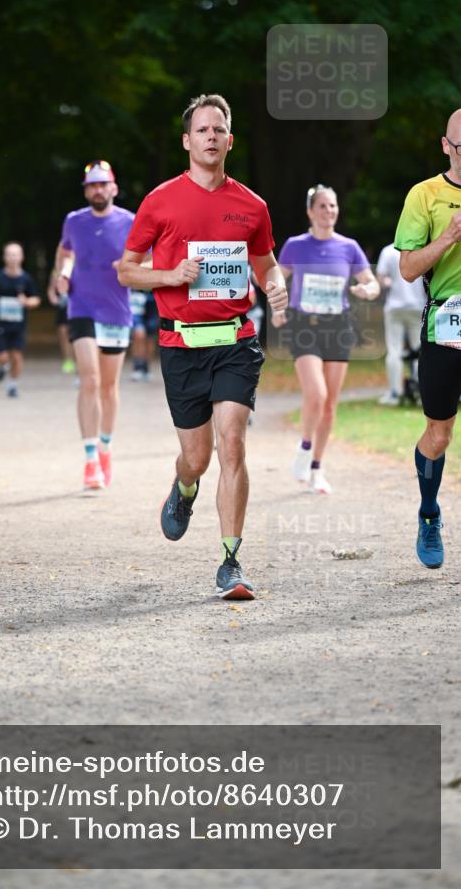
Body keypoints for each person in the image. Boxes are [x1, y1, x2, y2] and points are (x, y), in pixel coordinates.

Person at [117, 93, 287, 600]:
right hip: (181, 343)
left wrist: (274, 284)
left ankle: (231, 561)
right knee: (197, 455)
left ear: (230, 141)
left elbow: (265, 261)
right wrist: (171, 274)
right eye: (202, 130)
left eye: (219, 130)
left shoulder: (251, 205)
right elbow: (126, 269)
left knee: (232, 440)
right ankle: (185, 486)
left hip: (236, 338)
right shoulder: (160, 200)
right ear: (187, 141)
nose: (211, 137)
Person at [273, 185, 380, 494]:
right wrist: (277, 306)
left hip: (338, 327)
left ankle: (317, 469)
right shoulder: (295, 246)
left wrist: (367, 290)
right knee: (316, 394)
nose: (328, 211)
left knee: (330, 405)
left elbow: (370, 282)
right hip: (304, 325)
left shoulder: (349, 247)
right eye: (322, 206)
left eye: (332, 206)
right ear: (310, 211)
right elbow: (278, 279)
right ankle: (305, 447)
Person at [394, 109, 461, 569]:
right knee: (438, 434)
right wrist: (450, 238)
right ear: (445, 146)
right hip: (446, 327)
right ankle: (429, 512)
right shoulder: (425, 195)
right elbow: (408, 267)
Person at [53, 160, 134, 490]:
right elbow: (64, 252)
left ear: (113, 188)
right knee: (89, 380)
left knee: (109, 387)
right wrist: (61, 274)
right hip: (81, 306)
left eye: (103, 184)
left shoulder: (131, 221)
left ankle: (105, 448)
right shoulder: (74, 221)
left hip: (116, 311)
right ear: (86, 190)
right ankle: (89, 461)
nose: (97, 190)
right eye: (91, 185)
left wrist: (128, 265)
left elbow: (154, 259)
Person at [0, 242, 41, 398]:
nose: (13, 258)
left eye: (16, 254)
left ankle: (13, 385)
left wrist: (27, 302)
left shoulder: (26, 279)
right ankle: (4, 366)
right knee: (2, 355)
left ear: (21, 257)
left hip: (18, 325)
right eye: (10, 254)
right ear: (4, 257)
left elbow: (36, 299)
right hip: (1, 323)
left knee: (17, 355)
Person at [375, 241, 426, 405]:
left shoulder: (388, 251)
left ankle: (395, 393)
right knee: (420, 351)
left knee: (394, 350)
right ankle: (421, 393)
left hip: (395, 306)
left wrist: (390, 282)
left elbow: (381, 279)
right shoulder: (422, 249)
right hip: (418, 306)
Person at [46, 271, 75, 375]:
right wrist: (54, 299)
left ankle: (78, 359)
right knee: (63, 333)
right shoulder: (57, 270)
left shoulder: (82, 265)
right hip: (63, 307)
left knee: (76, 334)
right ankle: (68, 360)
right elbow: (51, 290)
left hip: (78, 307)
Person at [128, 288, 159, 381]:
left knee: (150, 338)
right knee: (138, 335)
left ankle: (146, 367)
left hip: (152, 299)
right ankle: (137, 366)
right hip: (137, 296)